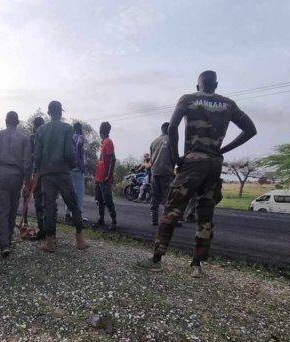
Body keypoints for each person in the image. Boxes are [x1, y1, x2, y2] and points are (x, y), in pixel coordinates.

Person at [134, 71, 257, 278]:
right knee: (205, 215)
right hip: (214, 165)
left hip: (192, 163)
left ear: (197, 85)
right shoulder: (229, 104)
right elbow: (250, 130)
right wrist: (222, 150)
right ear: (216, 85)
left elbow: (172, 127)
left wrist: (176, 157)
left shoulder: (187, 99)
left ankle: (156, 260)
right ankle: (196, 266)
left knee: (172, 210)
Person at [34, 101, 90, 252]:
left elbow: (37, 155)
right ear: (60, 112)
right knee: (73, 204)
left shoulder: (40, 130)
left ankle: (50, 242)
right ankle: (79, 240)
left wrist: (40, 169)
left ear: (48, 112)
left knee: (48, 207)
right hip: (63, 172)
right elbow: (68, 153)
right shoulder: (67, 128)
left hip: (46, 174)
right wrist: (71, 166)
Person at [0, 111, 31, 257]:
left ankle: (4, 244)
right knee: (12, 209)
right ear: (17, 123)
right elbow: (26, 162)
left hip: (1, 175)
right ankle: (9, 239)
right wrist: (27, 182)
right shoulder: (24, 138)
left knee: (2, 209)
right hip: (16, 176)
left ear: (6, 121)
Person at [29, 116, 56, 240]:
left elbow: (30, 156)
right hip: (50, 172)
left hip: (38, 173)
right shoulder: (50, 137)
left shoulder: (33, 138)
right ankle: (51, 232)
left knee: (39, 202)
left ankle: (43, 231)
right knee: (50, 202)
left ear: (34, 126)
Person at [93, 121, 118, 230]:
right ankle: (101, 219)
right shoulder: (104, 142)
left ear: (101, 131)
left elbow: (113, 158)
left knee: (107, 200)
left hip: (104, 178)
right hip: (99, 177)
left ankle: (114, 221)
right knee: (99, 200)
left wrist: (109, 175)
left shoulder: (108, 142)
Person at [65, 122, 87, 222]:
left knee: (70, 191)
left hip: (70, 167)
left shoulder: (71, 137)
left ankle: (67, 213)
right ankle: (79, 214)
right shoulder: (80, 137)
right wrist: (80, 164)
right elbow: (79, 146)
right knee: (79, 192)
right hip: (77, 168)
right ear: (80, 128)